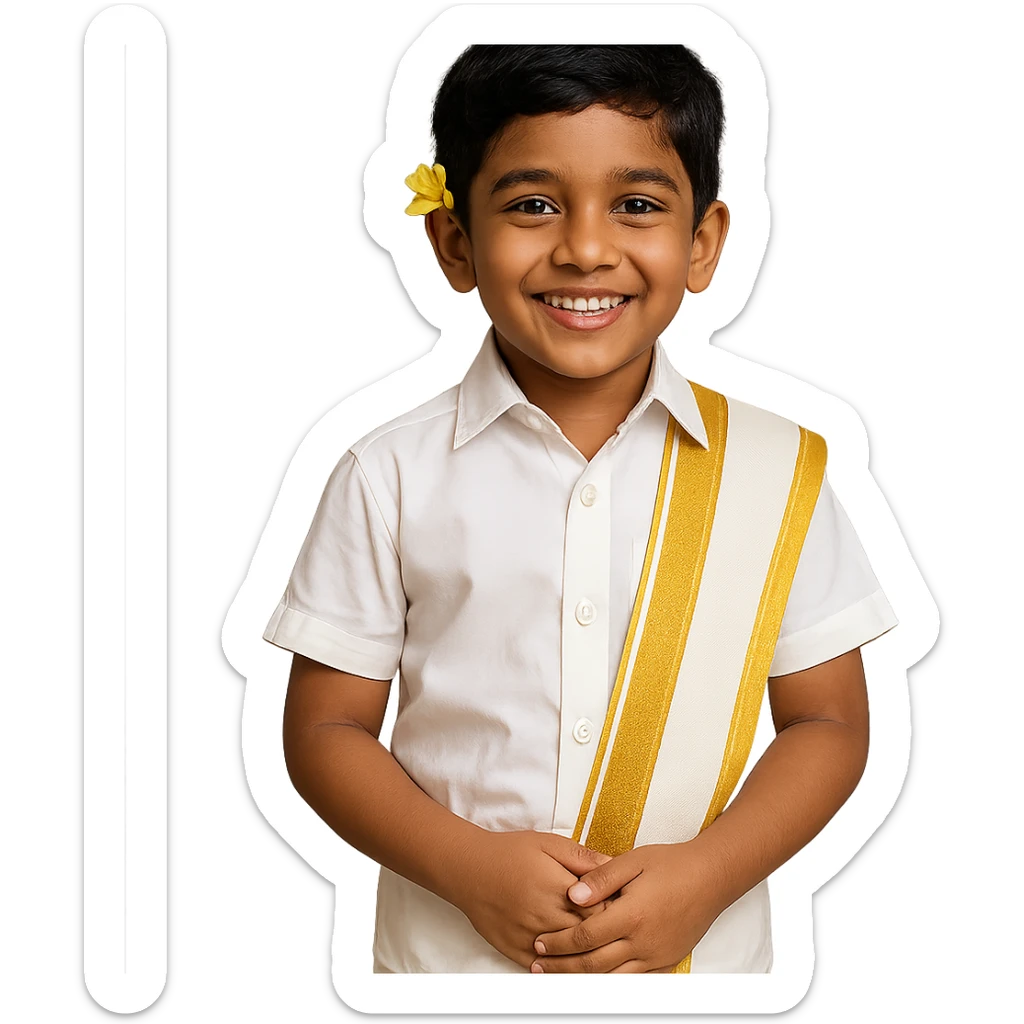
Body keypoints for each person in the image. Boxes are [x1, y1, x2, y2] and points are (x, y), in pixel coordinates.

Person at [261, 44, 897, 974]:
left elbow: (829, 724)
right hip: (449, 975)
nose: (586, 248)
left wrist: (709, 877)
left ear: (704, 241)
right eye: (532, 205)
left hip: (700, 976)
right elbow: (324, 731)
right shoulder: (384, 471)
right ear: (455, 244)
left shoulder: (776, 467)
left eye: (636, 205)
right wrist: (463, 864)